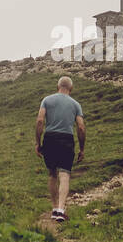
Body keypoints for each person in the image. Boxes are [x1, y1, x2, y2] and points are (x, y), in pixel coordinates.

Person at [35, 76, 86, 222]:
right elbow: (81, 128)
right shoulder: (76, 105)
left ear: (57, 86)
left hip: (50, 138)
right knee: (64, 175)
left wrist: (38, 143)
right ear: (71, 88)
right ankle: (61, 210)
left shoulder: (47, 100)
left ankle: (54, 208)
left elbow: (39, 121)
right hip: (66, 140)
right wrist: (82, 149)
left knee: (52, 174)